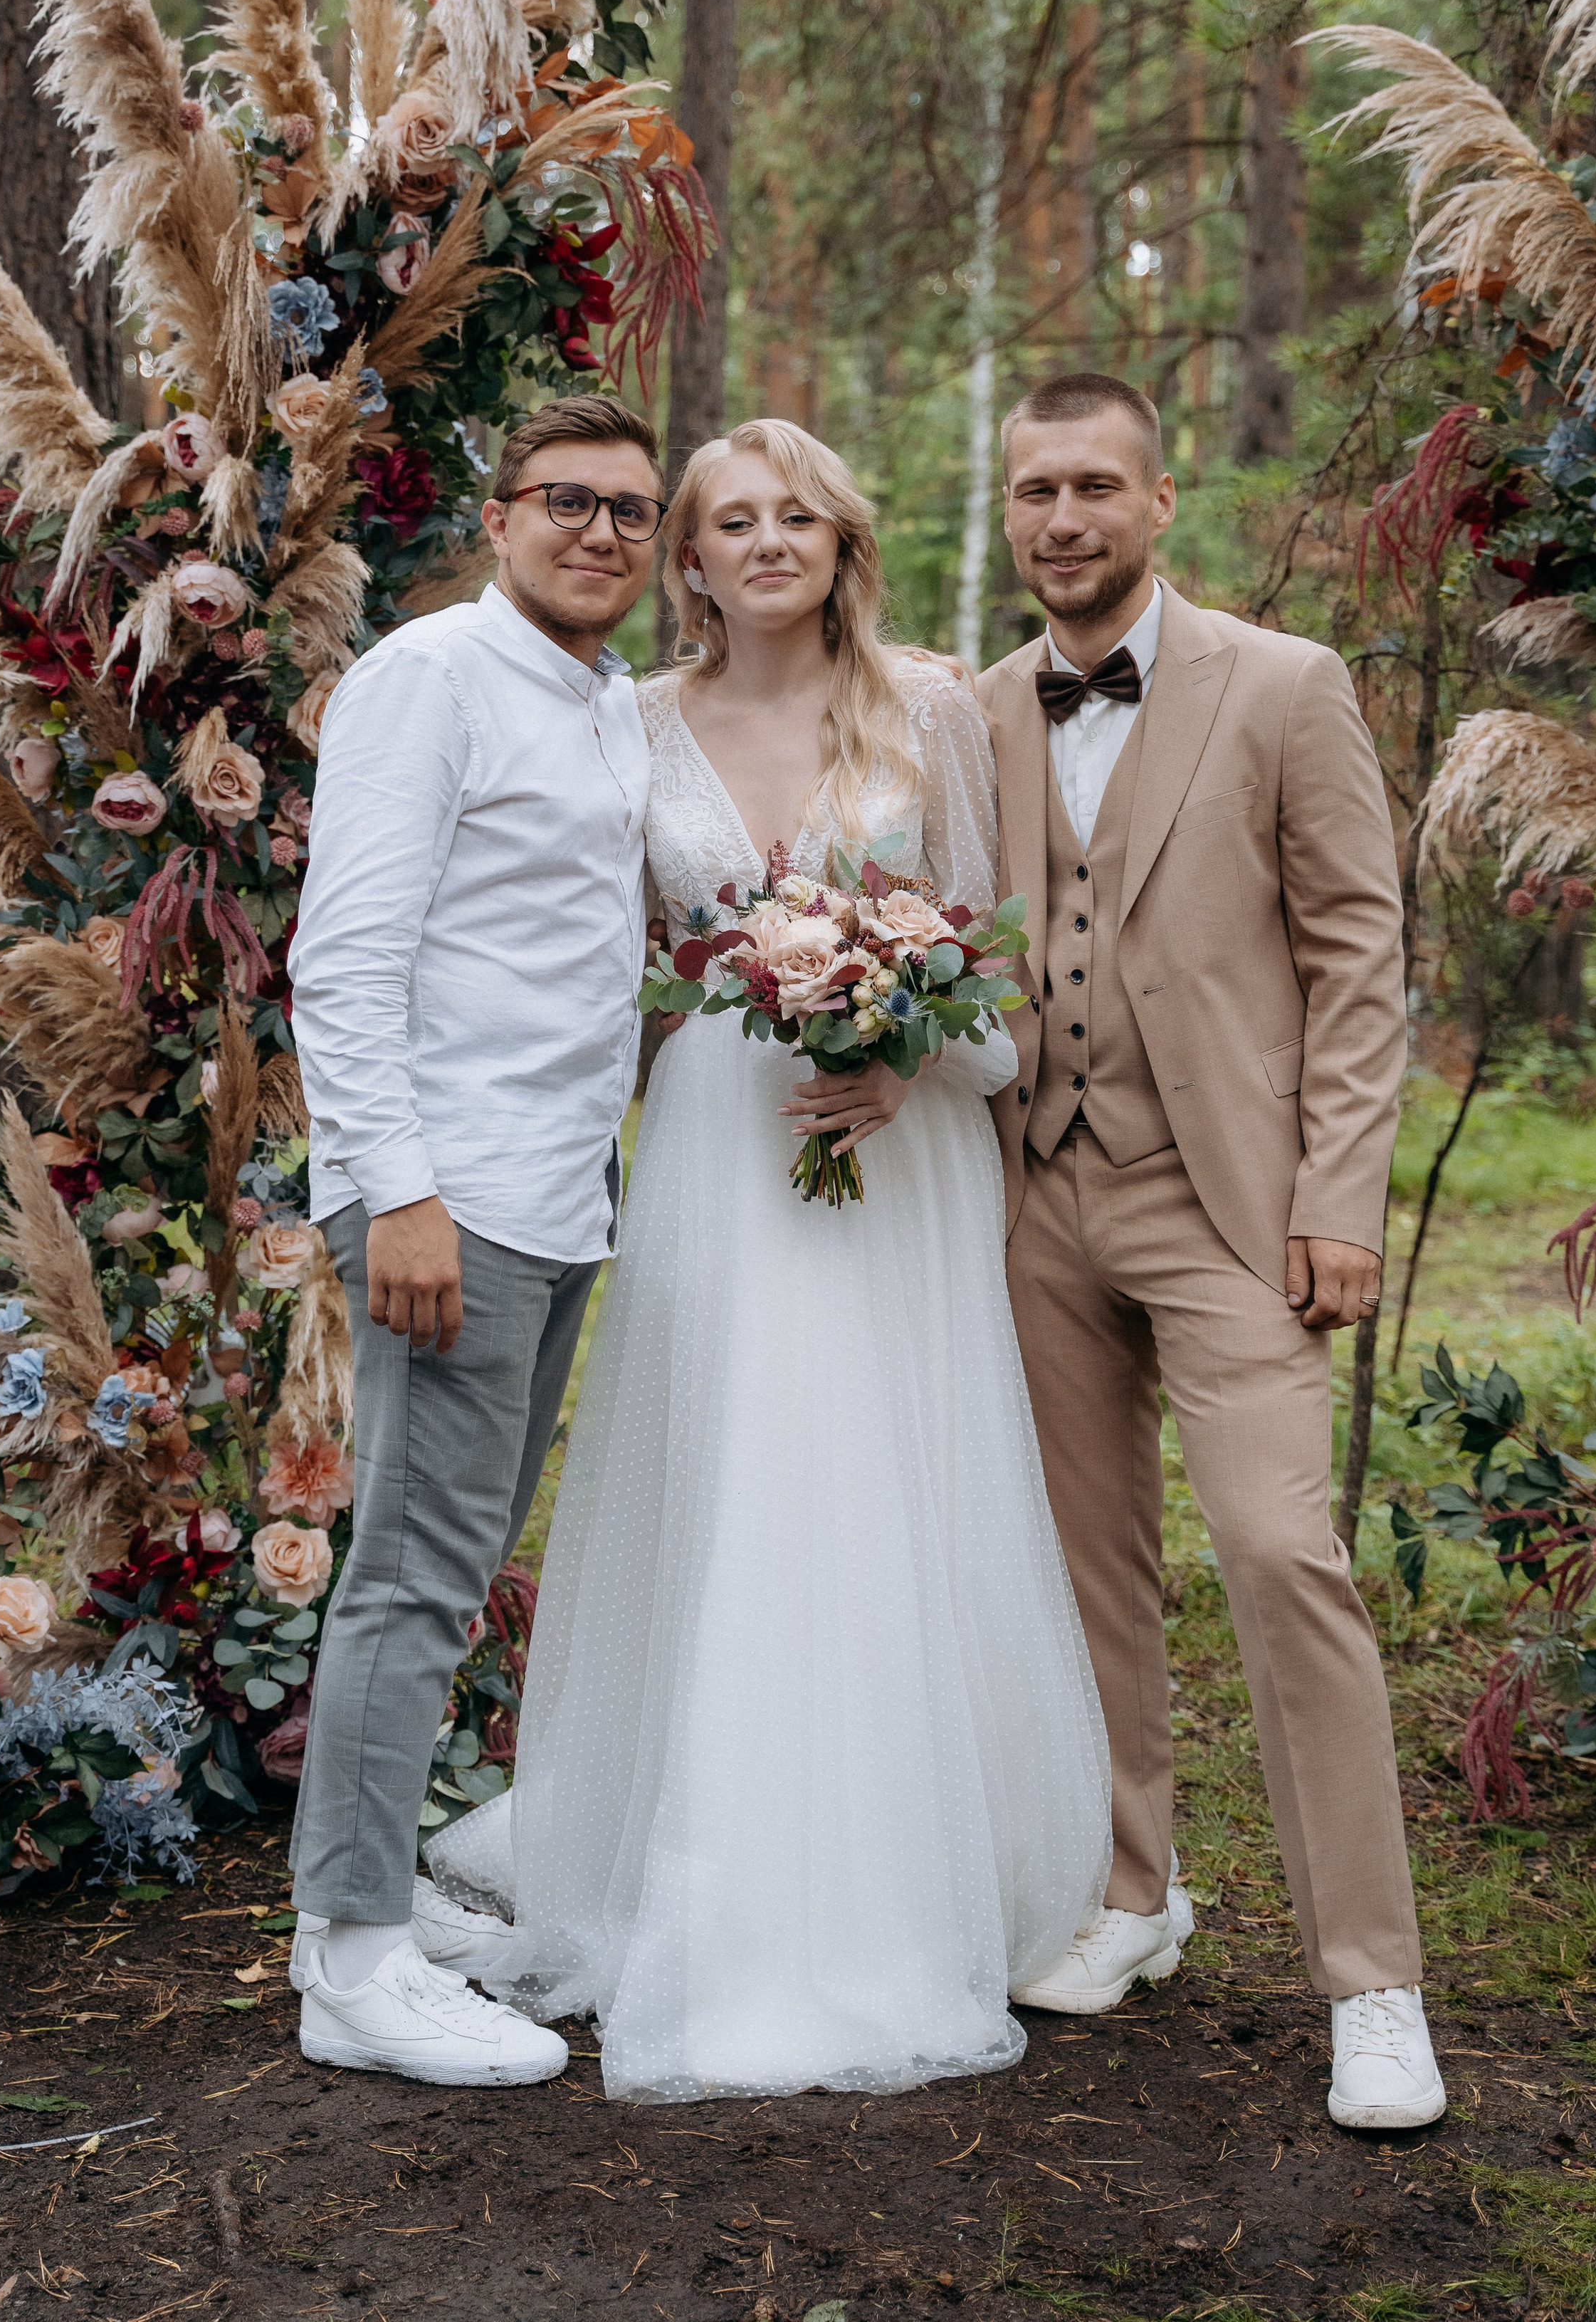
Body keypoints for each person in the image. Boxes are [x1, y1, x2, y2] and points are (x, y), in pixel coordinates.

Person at [429, 417, 1112, 2106]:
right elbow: (588, 947)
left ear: (840, 538)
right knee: (722, 1485)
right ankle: (703, 1868)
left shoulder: (931, 716)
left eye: (796, 512)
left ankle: (904, 1873)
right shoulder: (627, 723)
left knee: (883, 1491)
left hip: (900, 1154)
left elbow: (1001, 999)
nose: (764, 542)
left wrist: (903, 1051)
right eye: (729, 520)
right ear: (688, 557)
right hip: (716, 1152)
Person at [975, 370, 1446, 2133]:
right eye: (1035, 491)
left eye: (1095, 485)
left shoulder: (1282, 684)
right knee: (1079, 1572)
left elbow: (1353, 955)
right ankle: (1128, 1892)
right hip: (1037, 1200)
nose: (1063, 519)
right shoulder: (976, 710)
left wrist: (1335, 1200)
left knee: (1275, 1554)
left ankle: (1371, 1982)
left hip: (1233, 1208)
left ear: (1158, 503)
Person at [284, 392, 668, 2086]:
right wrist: (400, 1192)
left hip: (555, 1192)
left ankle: (351, 1901)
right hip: (455, 1200)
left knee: (453, 1566)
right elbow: (344, 959)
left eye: (632, 512)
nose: (602, 532)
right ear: (498, 516)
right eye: (569, 501)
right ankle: (355, 1967)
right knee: (415, 1580)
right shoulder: (427, 678)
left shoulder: (599, 703)